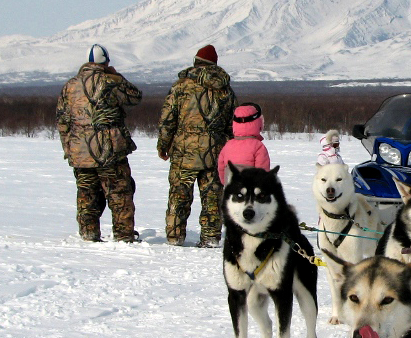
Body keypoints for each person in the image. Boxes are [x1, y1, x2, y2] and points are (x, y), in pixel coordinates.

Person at [56, 44, 142, 242]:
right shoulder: (111, 81)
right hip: (109, 149)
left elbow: (62, 120)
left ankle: (88, 233)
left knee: (87, 193)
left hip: (80, 151)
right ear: (106, 62)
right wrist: (116, 76)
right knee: (119, 192)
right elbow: (134, 96)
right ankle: (123, 235)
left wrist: (69, 148)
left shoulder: (70, 85)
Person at [157, 44, 237, 247]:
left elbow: (168, 119)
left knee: (179, 195)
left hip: (184, 151)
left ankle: (175, 236)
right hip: (214, 151)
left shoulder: (181, 86)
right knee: (212, 198)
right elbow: (232, 123)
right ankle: (210, 237)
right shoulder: (225, 89)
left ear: (196, 61)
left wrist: (163, 144)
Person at [217, 103, 271, 184]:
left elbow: (221, 167)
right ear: (258, 123)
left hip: (231, 189)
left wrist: (224, 182)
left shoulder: (228, 145)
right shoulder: (258, 146)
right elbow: (262, 170)